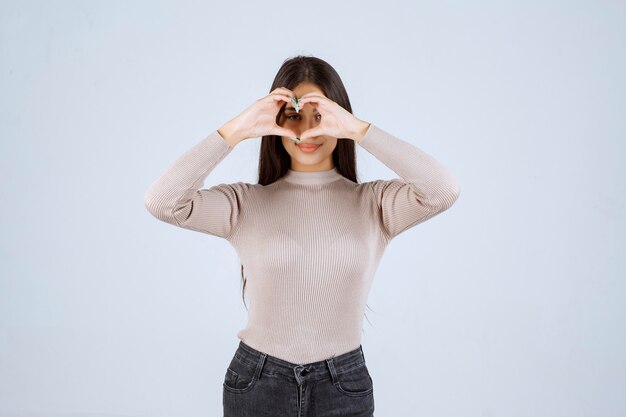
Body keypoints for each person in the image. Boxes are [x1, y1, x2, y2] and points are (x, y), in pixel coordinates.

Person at [144, 55, 461, 417]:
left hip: (343, 385)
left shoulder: (375, 203)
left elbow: (443, 190)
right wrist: (237, 129)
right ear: (276, 122)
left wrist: (359, 129)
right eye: (294, 116)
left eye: (321, 116)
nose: (308, 131)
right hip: (257, 383)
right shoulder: (245, 203)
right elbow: (162, 202)